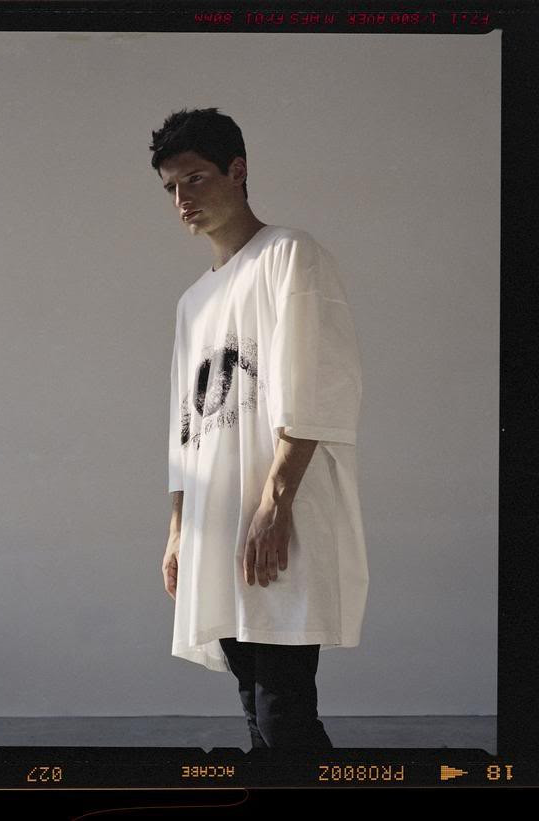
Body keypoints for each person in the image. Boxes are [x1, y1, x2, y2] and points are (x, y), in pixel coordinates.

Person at [149, 107, 369, 752]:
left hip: (277, 517)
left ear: (237, 170)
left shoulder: (290, 255)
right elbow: (186, 425)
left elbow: (318, 383)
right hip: (216, 524)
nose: (182, 199)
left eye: (195, 178)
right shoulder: (193, 300)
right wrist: (179, 529)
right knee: (255, 710)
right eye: (171, 188)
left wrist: (276, 503)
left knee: (282, 713)